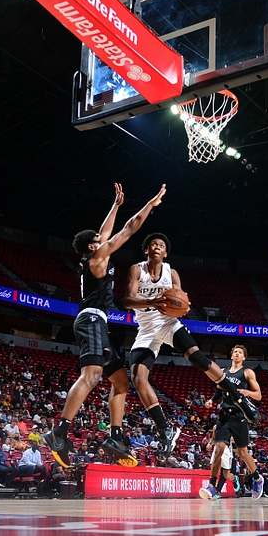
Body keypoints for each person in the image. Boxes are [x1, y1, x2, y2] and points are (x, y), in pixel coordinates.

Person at [43, 183, 165, 469]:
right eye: (99, 239)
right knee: (93, 375)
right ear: (92, 246)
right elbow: (129, 229)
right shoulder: (96, 257)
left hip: (99, 322)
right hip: (92, 319)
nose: (105, 238)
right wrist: (149, 204)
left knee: (121, 382)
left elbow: (107, 232)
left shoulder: (96, 254)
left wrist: (116, 205)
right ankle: (59, 432)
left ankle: (116, 437)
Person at [124, 233, 259, 464]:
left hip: (168, 323)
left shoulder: (171, 272)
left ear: (165, 253)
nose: (157, 247)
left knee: (197, 357)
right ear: (146, 250)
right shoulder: (137, 270)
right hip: (146, 329)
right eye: (153, 244)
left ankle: (239, 398)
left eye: (161, 245)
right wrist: (153, 303)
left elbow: (181, 300)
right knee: (137, 377)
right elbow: (127, 300)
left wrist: (182, 308)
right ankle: (165, 429)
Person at [200, 345, 265, 500]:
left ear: (243, 357)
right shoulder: (223, 372)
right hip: (224, 415)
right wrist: (211, 400)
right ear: (231, 356)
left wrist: (247, 392)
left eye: (240, 352)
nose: (236, 353)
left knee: (243, 452)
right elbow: (219, 392)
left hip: (239, 415)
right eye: (234, 351)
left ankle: (257, 477)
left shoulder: (247, 372)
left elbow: (259, 395)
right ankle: (212, 486)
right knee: (219, 447)